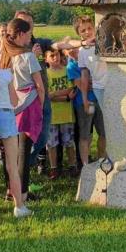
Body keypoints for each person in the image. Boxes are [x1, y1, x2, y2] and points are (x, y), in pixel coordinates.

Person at [13, 10, 76, 176]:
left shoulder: (39, 43)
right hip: (24, 101)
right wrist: (31, 57)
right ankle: (18, 172)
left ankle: (24, 166)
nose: (27, 26)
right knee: (22, 140)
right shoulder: (12, 48)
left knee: (42, 137)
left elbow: (59, 45)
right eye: (23, 23)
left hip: (43, 99)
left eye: (30, 23)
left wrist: (82, 43)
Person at [0, 42, 32, 218]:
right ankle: (19, 206)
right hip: (5, 116)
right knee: (12, 165)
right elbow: (14, 101)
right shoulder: (5, 74)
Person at [0, 17, 45, 203]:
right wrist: (41, 105)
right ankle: (23, 193)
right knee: (23, 152)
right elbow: (40, 86)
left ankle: (10, 190)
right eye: (28, 34)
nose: (30, 38)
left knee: (10, 152)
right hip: (28, 105)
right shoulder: (28, 57)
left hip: (10, 106)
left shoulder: (4, 56)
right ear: (20, 34)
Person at [74, 16, 107, 162]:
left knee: (107, 130)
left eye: (89, 28)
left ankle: (104, 159)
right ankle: (87, 165)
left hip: (111, 87)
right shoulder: (82, 52)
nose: (87, 32)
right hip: (97, 90)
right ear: (79, 34)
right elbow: (84, 75)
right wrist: (85, 99)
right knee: (87, 132)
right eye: (83, 30)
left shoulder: (105, 42)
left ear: (95, 27)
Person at [45, 49, 76, 178]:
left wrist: (55, 94)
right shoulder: (46, 74)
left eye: (57, 55)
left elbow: (70, 89)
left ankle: (72, 165)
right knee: (51, 144)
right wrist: (66, 97)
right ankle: (54, 168)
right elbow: (47, 95)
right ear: (46, 59)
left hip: (66, 114)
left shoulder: (66, 70)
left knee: (69, 142)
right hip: (52, 115)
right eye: (51, 56)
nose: (55, 58)